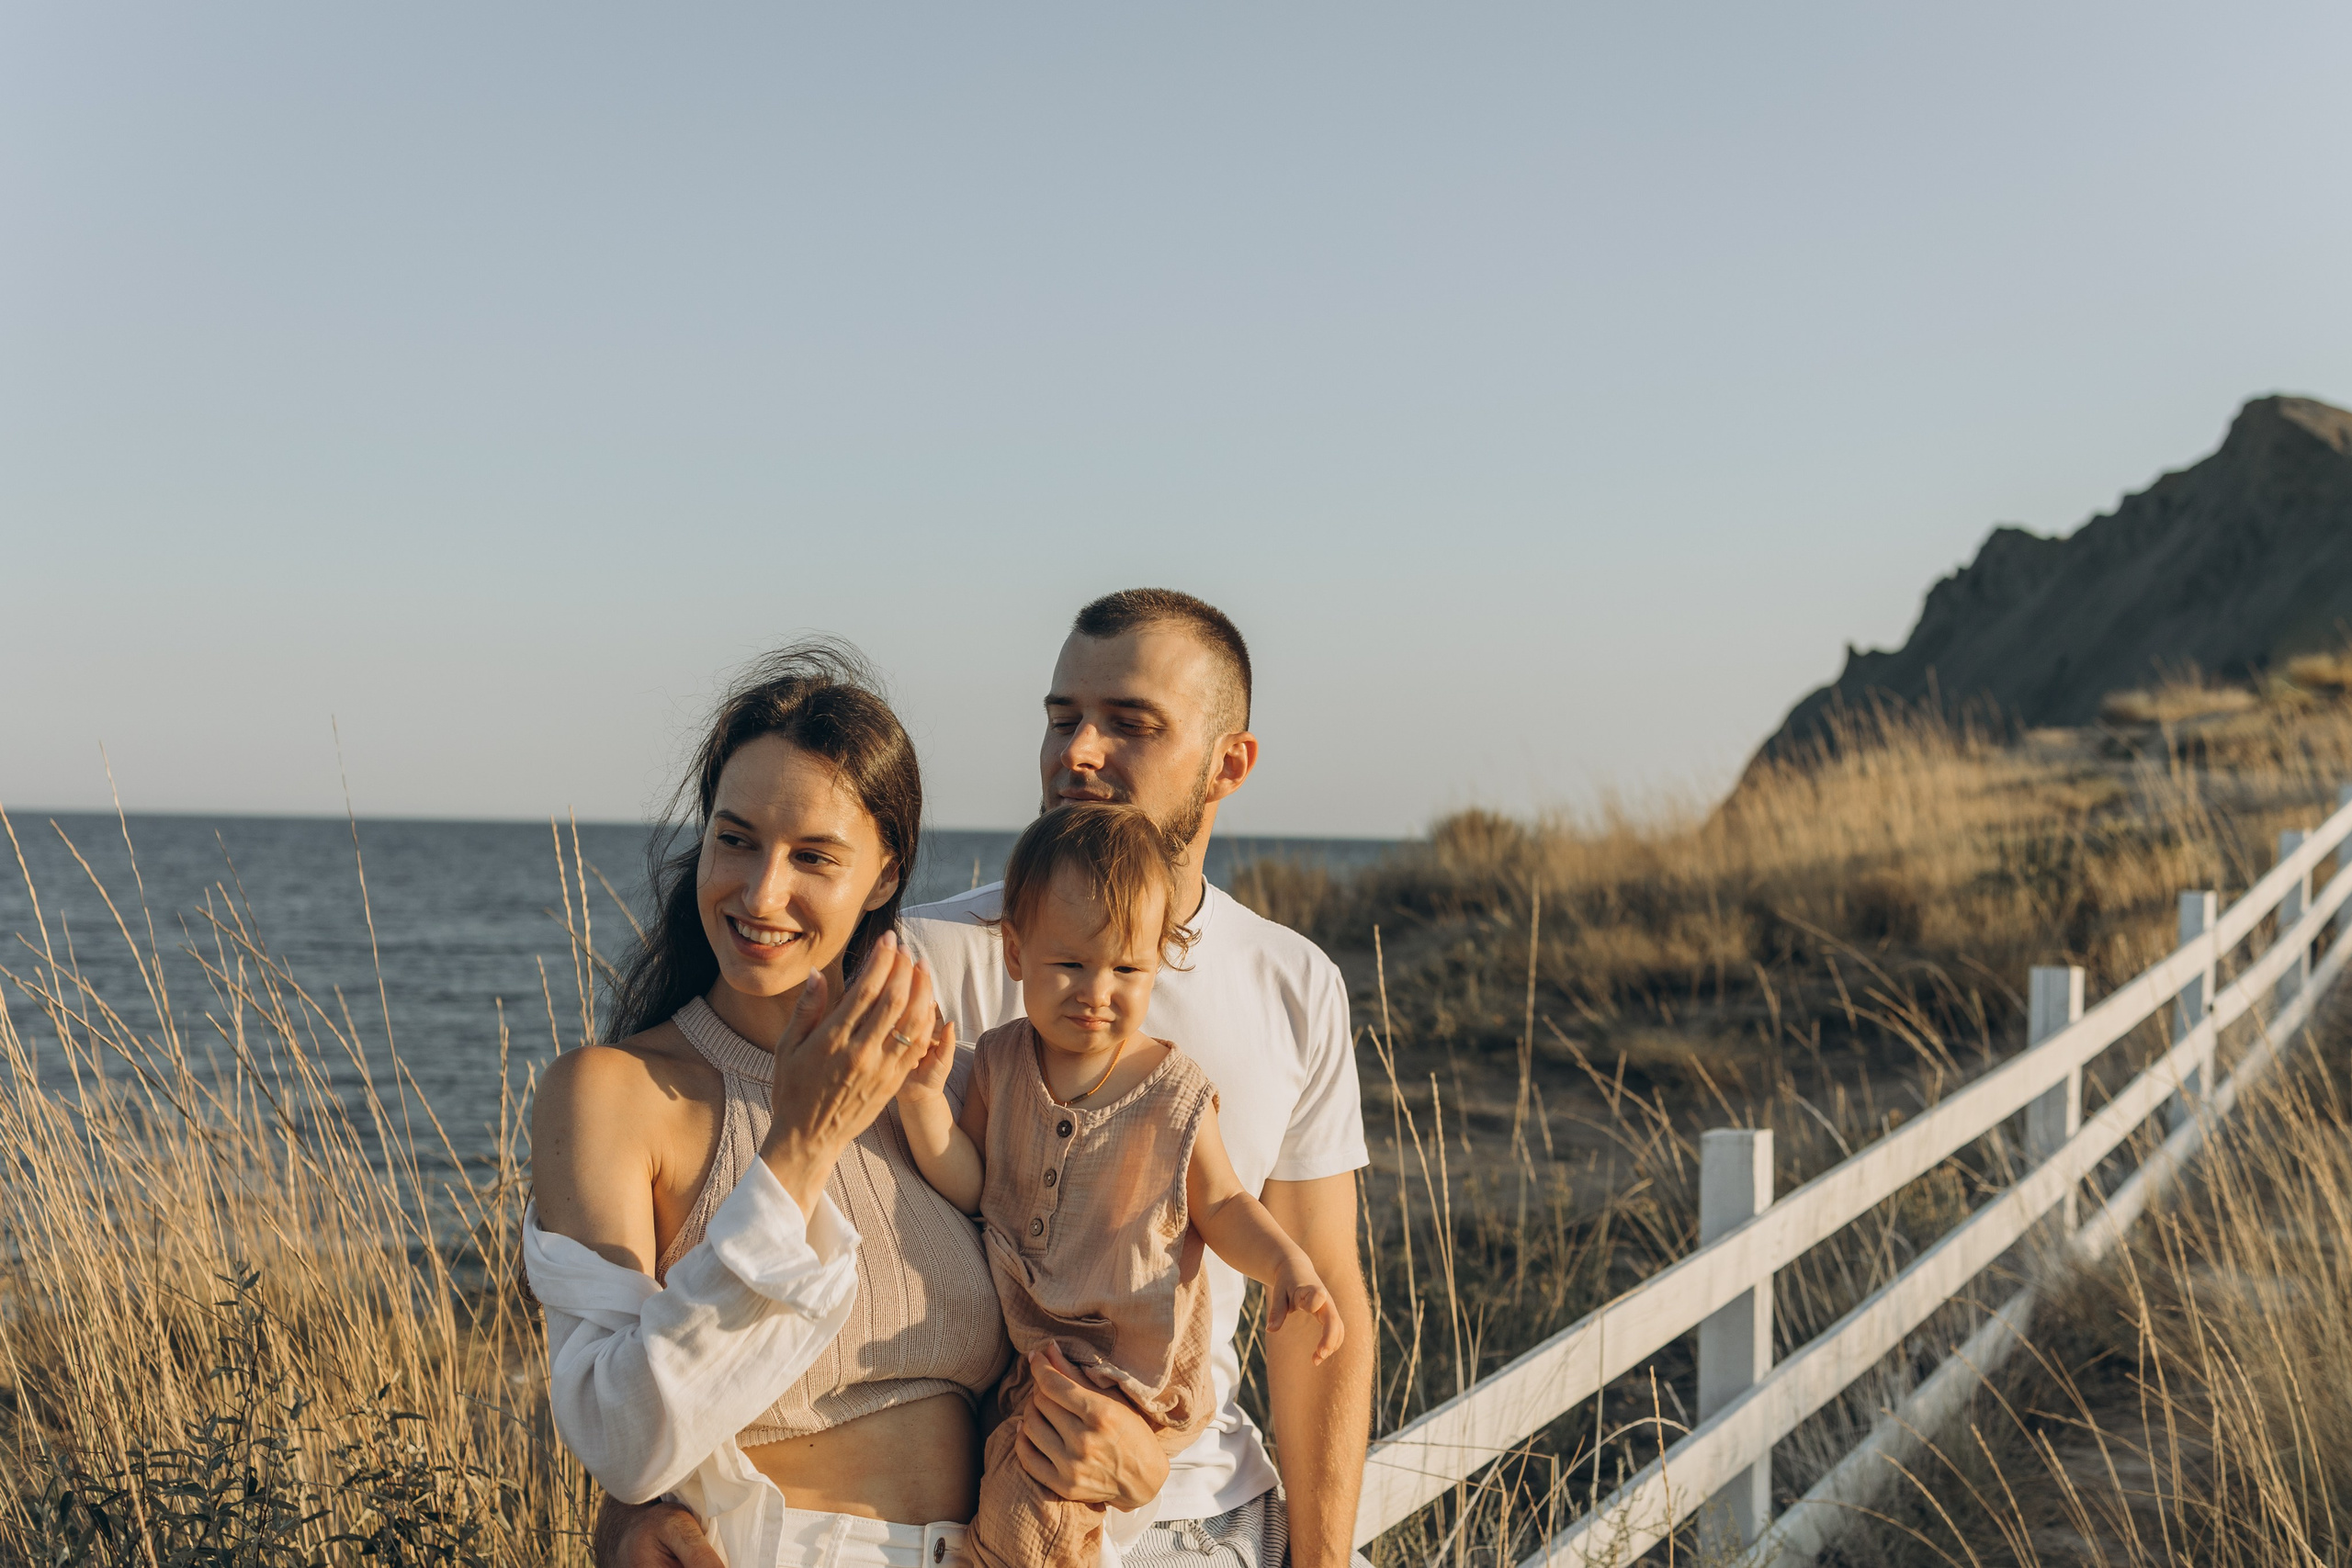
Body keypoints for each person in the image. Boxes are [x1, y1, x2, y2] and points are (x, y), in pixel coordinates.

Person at [528, 644, 1170, 1568]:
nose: (761, 892)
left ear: (882, 873)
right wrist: (796, 1150)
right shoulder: (612, 1092)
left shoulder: (940, 1091)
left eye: (813, 856)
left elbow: (1060, 1337)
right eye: (734, 837)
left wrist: (1133, 1472)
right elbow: (624, 1442)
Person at [910, 589, 1375, 1568]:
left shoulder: (1293, 983)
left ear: (1229, 764)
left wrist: (1325, 1561)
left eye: (1129, 724)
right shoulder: (935, 958)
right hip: (985, 1521)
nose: (1076, 750)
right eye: (1059, 718)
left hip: (1212, 1518)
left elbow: (1321, 1287)